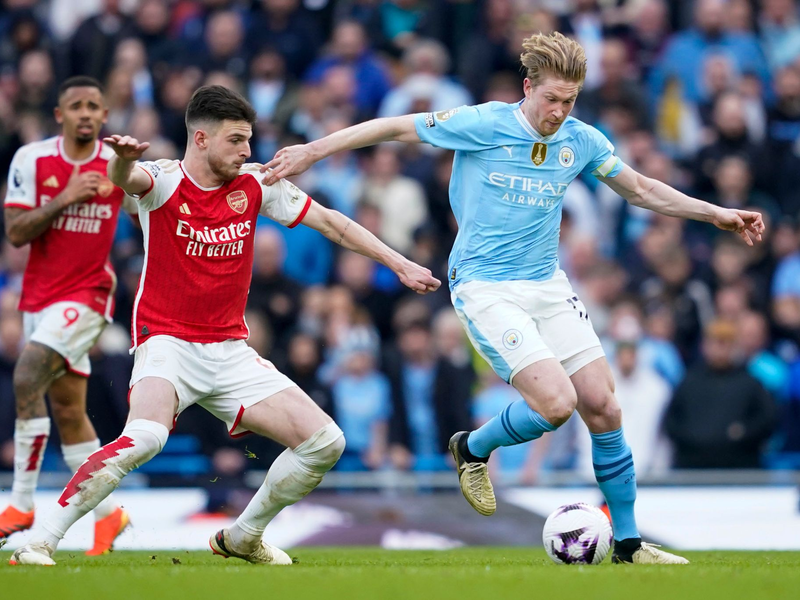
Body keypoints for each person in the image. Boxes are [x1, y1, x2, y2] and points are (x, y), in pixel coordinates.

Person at [261, 32, 765, 565]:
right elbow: (391, 128)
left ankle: (630, 545)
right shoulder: (483, 123)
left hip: (547, 284)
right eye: (551, 98)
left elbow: (640, 189)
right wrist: (313, 151)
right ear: (528, 87)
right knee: (556, 405)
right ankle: (471, 448)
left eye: (569, 101)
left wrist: (715, 213)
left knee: (604, 407)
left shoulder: (581, 140)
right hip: (485, 286)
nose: (559, 111)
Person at [8, 85, 440, 567]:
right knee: (145, 438)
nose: (247, 151)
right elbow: (127, 180)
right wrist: (121, 161)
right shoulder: (165, 181)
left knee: (325, 443)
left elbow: (333, 224)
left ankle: (244, 535)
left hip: (230, 351)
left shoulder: (257, 184)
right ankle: (40, 539)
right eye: (236, 140)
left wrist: (399, 263)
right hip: (167, 343)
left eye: (248, 139)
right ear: (201, 139)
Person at [0, 76, 136, 555]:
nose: (84, 113)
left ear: (104, 116)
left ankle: (20, 503)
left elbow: (152, 212)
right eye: (75, 105)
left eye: (93, 106)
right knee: (68, 412)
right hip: (38, 299)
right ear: (59, 115)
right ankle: (109, 515)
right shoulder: (31, 159)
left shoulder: (118, 166)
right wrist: (65, 198)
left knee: (27, 373)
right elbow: (15, 232)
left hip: (89, 295)